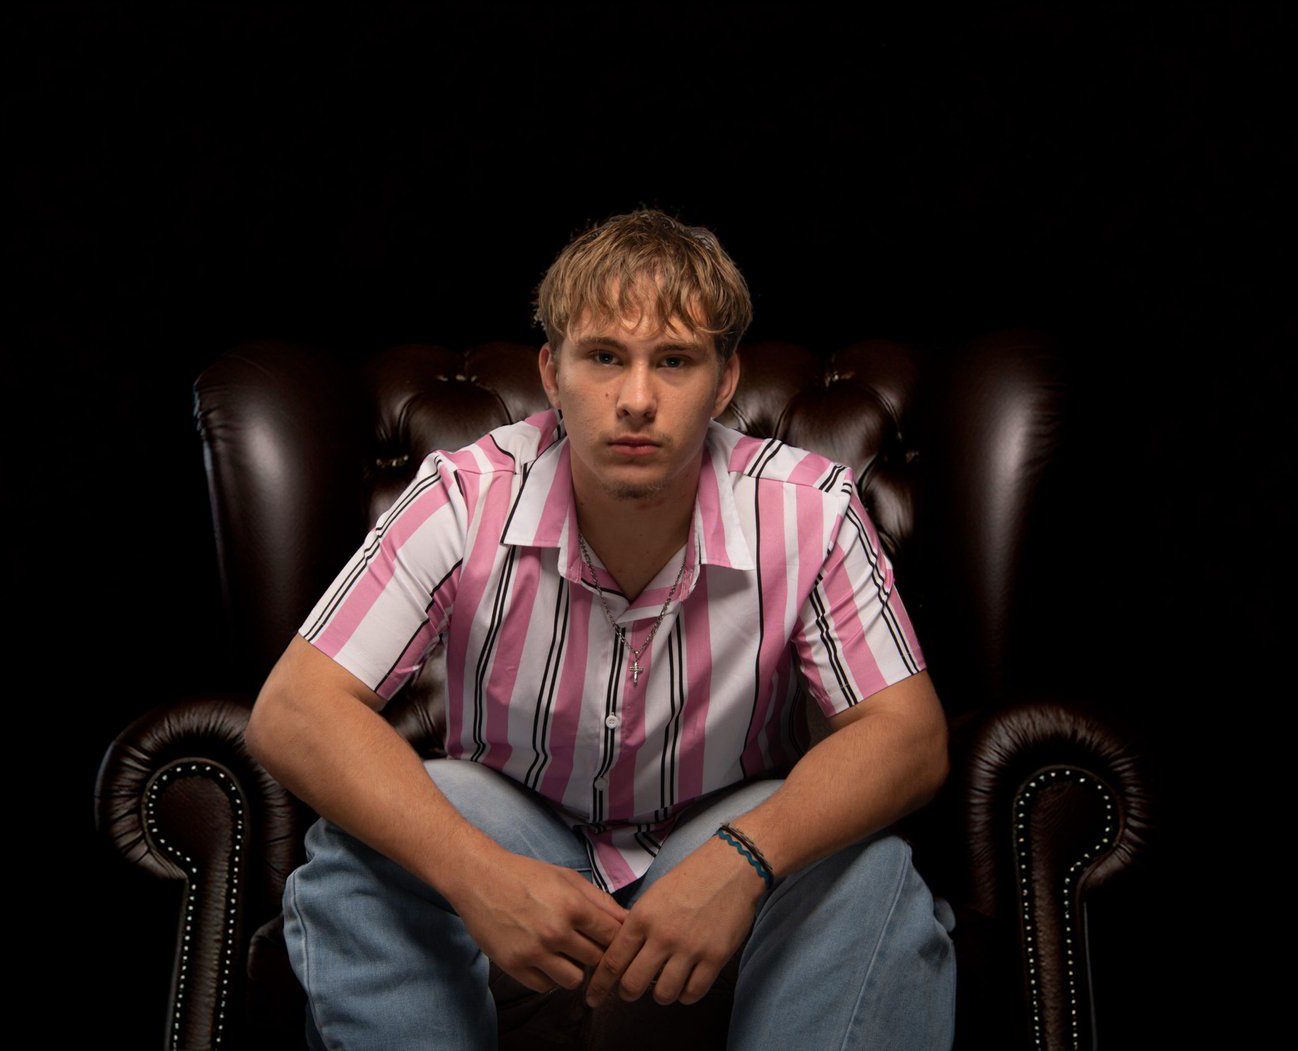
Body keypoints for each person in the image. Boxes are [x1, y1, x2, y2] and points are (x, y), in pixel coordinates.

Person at [246, 208, 956, 1049]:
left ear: (725, 381)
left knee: (868, 867)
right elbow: (292, 710)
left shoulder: (812, 509)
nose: (637, 399)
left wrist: (743, 859)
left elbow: (909, 738)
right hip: (513, 818)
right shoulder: (465, 496)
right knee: (358, 853)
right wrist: (480, 874)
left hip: (720, 820)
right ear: (553, 372)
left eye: (677, 361)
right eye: (605, 357)